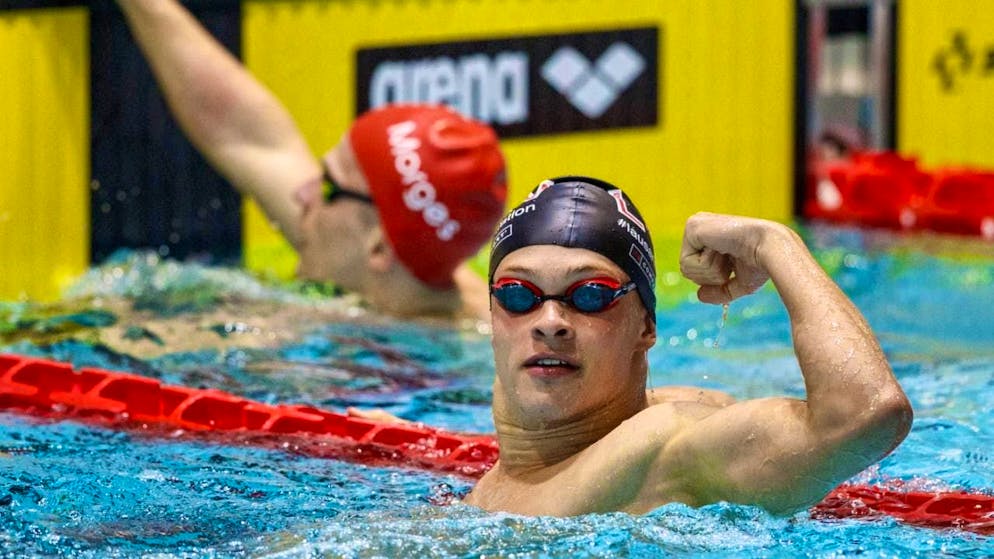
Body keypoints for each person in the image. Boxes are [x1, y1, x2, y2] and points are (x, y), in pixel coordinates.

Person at [464, 175, 913, 516]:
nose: (550, 322)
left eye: (591, 295)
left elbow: (865, 414)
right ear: (493, 315)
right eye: (518, 294)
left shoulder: (660, 448)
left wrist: (773, 243)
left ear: (645, 327)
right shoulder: (526, 446)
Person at [115, 0, 507, 319]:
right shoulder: (403, 259)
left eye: (327, 187)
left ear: (380, 249)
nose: (302, 194)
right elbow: (245, 135)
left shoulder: (465, 356)